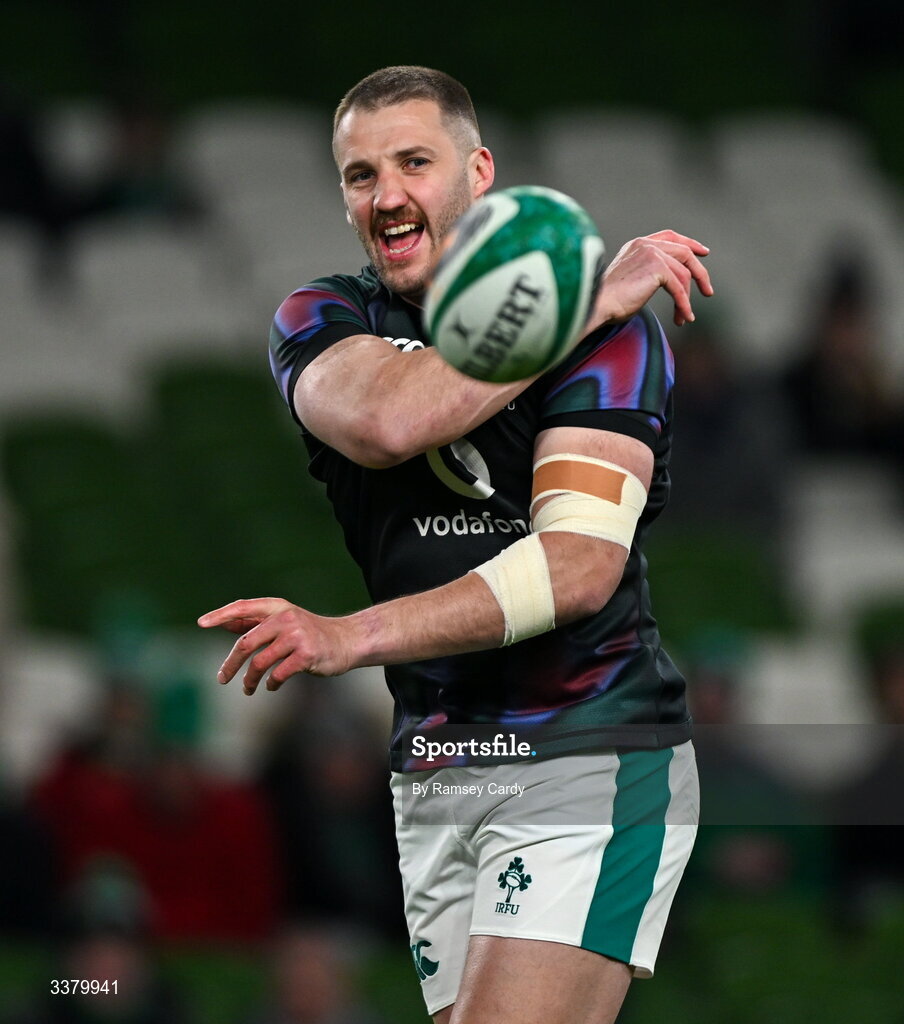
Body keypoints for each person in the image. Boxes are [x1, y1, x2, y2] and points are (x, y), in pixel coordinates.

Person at [199, 66, 713, 1024]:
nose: (386, 194)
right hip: (438, 763)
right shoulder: (322, 318)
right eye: (360, 175)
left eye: (413, 163)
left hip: (589, 742)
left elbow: (577, 569)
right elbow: (395, 421)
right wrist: (578, 302)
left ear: (479, 173)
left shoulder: (619, 340)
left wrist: (352, 635)